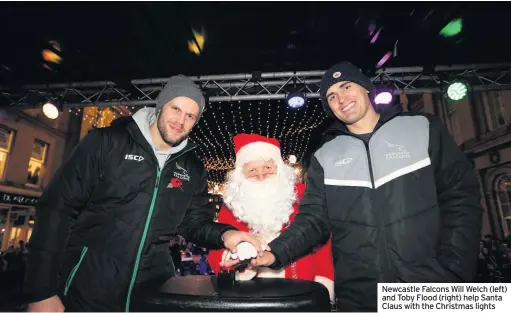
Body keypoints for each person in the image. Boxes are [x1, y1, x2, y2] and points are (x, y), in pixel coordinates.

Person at [229, 62, 483, 311]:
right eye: (331, 96)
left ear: (366, 88)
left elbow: (461, 199)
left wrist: (455, 270)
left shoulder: (423, 128)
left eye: (347, 87)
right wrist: (274, 254)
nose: (341, 99)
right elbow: (313, 220)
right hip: (360, 296)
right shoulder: (325, 155)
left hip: (432, 286)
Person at [24, 75, 264, 312]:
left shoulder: (192, 168)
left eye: (190, 116)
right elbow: (57, 210)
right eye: (176, 109)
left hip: (152, 292)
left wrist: (227, 235)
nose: (180, 120)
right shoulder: (106, 143)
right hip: (88, 287)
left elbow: (194, 224)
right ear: (160, 106)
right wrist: (41, 290)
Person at [208, 133, 335, 302]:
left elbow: (322, 242)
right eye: (252, 170)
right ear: (241, 175)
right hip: (250, 294)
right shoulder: (233, 205)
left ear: (279, 168)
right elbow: (216, 251)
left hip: (302, 289)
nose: (261, 176)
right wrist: (236, 258)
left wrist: (324, 282)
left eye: (267, 168)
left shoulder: (302, 196)